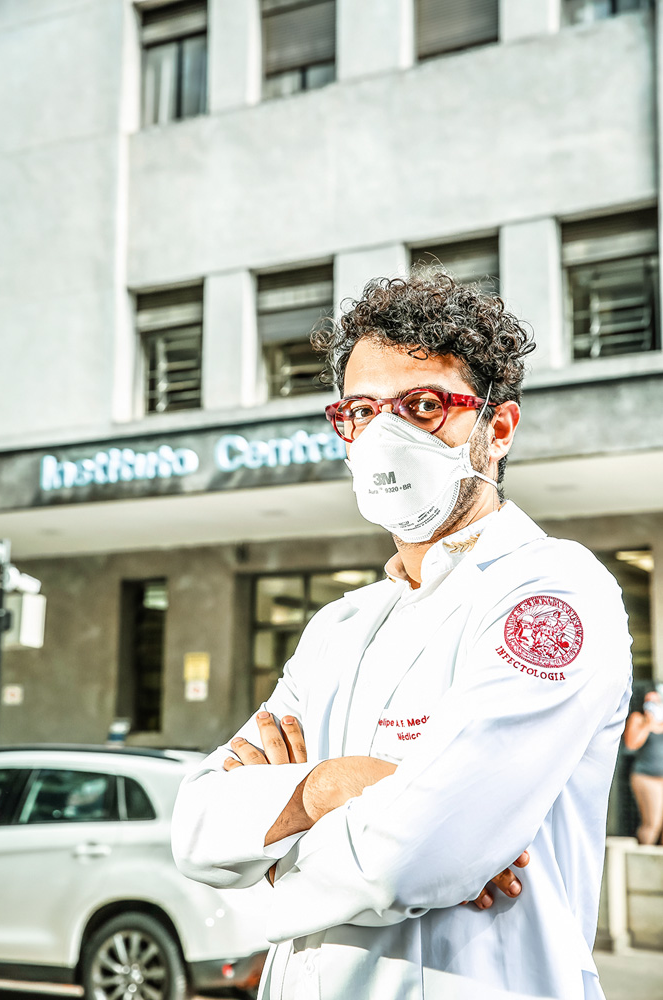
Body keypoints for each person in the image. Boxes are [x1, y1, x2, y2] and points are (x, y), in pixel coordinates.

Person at [172, 272, 633, 1000]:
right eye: (359, 409)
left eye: (421, 406)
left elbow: (417, 857)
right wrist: (328, 784)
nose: (383, 435)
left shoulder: (550, 591)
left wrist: (267, 857)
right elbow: (195, 830)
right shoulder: (341, 626)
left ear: (497, 428)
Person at [624, 689, 663, 844]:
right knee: (652, 823)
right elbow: (631, 744)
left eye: (656, 701)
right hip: (646, 776)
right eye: (649, 701)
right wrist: (648, 724)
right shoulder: (638, 719)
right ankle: (642, 861)